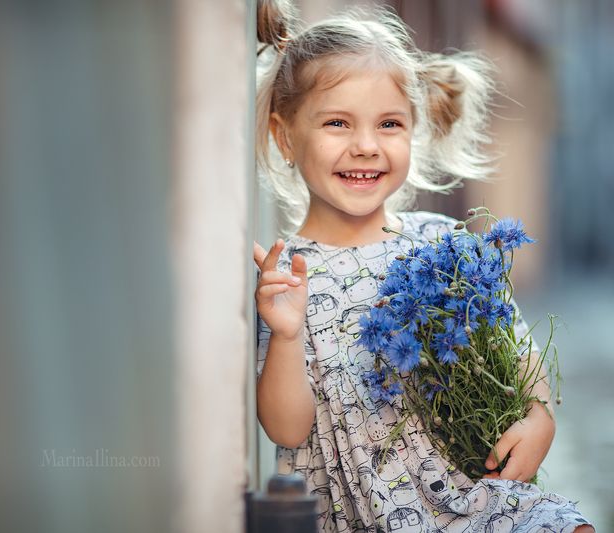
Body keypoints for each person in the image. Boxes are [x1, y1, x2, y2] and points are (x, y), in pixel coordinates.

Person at [252, 2, 594, 532]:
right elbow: (287, 430)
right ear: (285, 136)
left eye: (389, 124)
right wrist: (287, 335)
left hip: (475, 494)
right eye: (337, 123)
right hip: (359, 515)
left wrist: (538, 416)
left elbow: (516, 350)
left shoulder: (441, 245)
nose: (365, 146)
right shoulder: (289, 277)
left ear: (412, 131)